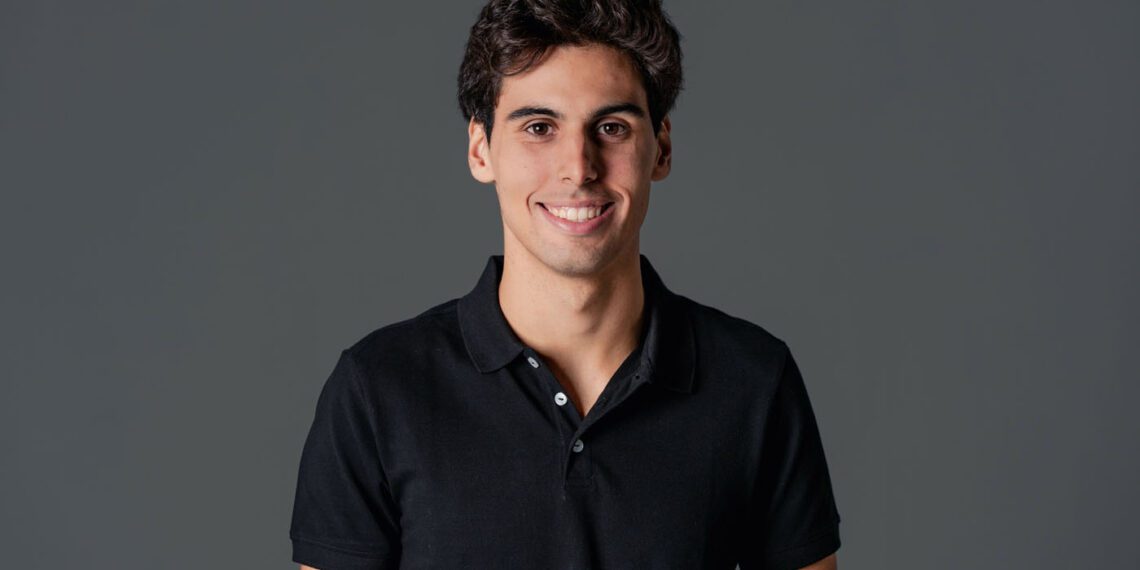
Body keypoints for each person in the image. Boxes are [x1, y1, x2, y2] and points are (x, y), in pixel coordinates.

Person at [289, 0, 841, 568]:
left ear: (662, 147)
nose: (578, 168)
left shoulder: (753, 381)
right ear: (480, 149)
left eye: (611, 127)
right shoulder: (378, 390)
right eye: (539, 127)